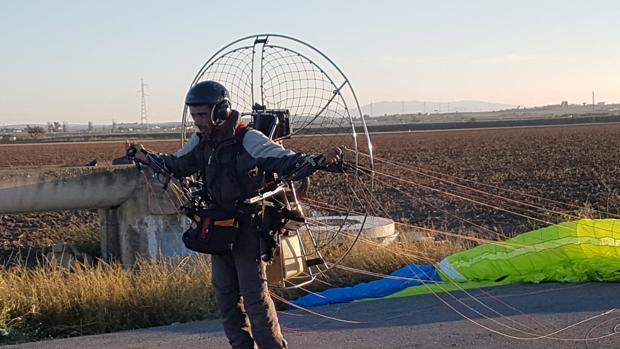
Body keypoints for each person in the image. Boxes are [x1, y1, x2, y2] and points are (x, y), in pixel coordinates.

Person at [128, 80, 341, 349]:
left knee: (254, 298)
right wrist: (146, 157)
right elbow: (179, 165)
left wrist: (315, 161)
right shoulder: (201, 141)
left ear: (221, 110)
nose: (197, 121)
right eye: (194, 115)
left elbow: (283, 160)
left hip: (248, 229)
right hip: (218, 228)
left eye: (202, 115)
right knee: (225, 297)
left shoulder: (248, 138)